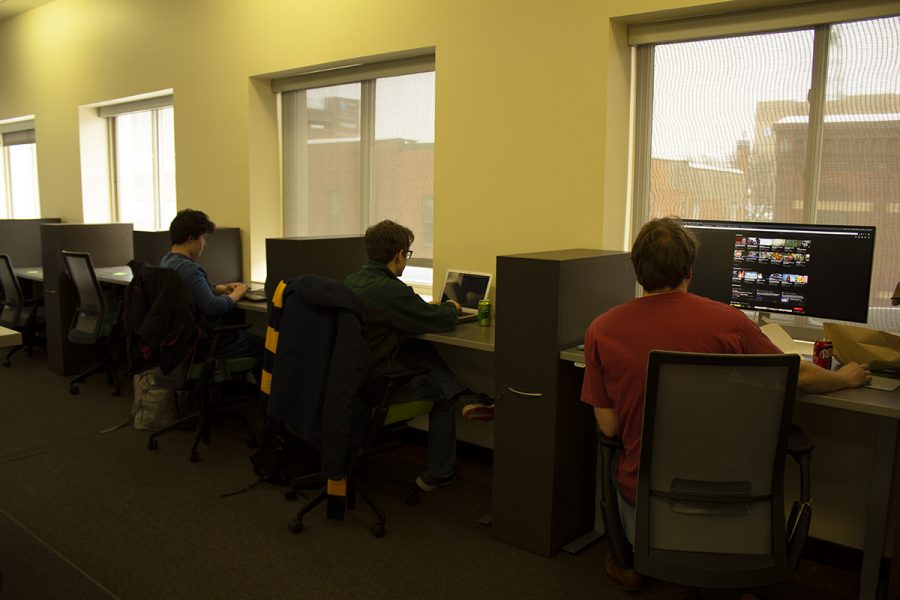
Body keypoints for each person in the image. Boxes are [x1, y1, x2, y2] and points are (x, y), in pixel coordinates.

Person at [580, 216, 871, 592]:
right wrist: (843, 378)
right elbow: (795, 373)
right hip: (739, 510)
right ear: (689, 270)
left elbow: (610, 428)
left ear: (637, 270)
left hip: (649, 514)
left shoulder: (601, 330)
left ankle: (630, 561)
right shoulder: (729, 323)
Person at [345, 220, 493, 492]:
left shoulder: (353, 280)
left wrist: (420, 308)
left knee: (417, 348)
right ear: (400, 254)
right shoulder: (391, 290)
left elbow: (403, 314)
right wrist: (451, 307)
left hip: (350, 378)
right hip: (375, 386)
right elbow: (438, 321)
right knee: (441, 397)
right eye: (407, 254)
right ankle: (441, 471)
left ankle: (466, 397)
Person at [161, 209, 264, 365]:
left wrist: (221, 288)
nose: (205, 243)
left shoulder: (167, 262)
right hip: (206, 344)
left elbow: (191, 290)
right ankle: (266, 389)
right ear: (190, 239)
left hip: (180, 341)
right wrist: (236, 294)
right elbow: (213, 306)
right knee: (265, 346)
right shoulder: (190, 269)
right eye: (203, 237)